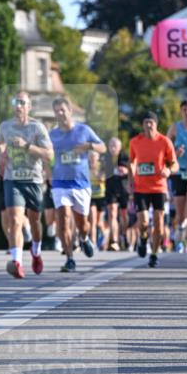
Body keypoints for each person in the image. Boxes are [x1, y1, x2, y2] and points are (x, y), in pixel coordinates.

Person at [0, 90, 53, 279]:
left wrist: (27, 146)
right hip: (13, 179)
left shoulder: (38, 128)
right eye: (16, 102)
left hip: (34, 179)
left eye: (22, 102)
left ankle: (36, 252)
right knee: (15, 220)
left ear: (29, 107)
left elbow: (49, 155)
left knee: (35, 220)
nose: (18, 105)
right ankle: (17, 262)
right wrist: (0, 155)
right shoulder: (5, 126)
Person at [49, 96, 106, 273]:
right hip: (60, 183)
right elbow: (45, 155)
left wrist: (89, 146)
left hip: (81, 184)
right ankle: (70, 258)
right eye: (57, 111)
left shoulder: (84, 130)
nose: (60, 114)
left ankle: (84, 237)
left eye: (62, 110)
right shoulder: (52, 135)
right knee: (63, 219)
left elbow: (102, 147)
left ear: (70, 111)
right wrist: (46, 171)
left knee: (83, 223)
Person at [129, 111, 178, 268]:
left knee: (159, 222)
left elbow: (174, 164)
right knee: (143, 222)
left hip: (159, 187)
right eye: (146, 122)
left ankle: (154, 254)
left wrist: (169, 171)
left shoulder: (164, 142)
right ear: (142, 125)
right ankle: (143, 239)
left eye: (151, 122)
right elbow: (131, 162)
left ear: (156, 124)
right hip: (141, 188)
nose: (149, 125)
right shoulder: (135, 142)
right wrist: (131, 178)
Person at [167, 98, 187, 253]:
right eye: (185, 110)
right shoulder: (175, 128)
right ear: (181, 111)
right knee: (182, 214)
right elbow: (164, 150)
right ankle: (179, 236)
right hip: (178, 172)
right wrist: (175, 154)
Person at [104, 136, 130, 251]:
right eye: (111, 145)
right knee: (112, 213)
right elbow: (100, 171)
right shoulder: (106, 158)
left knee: (124, 215)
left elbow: (132, 169)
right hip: (111, 189)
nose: (112, 148)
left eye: (115, 145)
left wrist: (127, 171)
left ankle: (124, 234)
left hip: (123, 189)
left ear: (119, 147)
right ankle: (114, 241)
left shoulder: (124, 156)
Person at [88, 150, 107, 250]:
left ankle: (104, 238)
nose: (92, 158)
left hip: (101, 196)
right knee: (93, 220)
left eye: (94, 156)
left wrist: (99, 175)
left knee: (99, 222)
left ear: (98, 157)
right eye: (90, 155)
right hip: (91, 197)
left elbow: (103, 178)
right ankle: (93, 243)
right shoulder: (86, 167)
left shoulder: (102, 166)